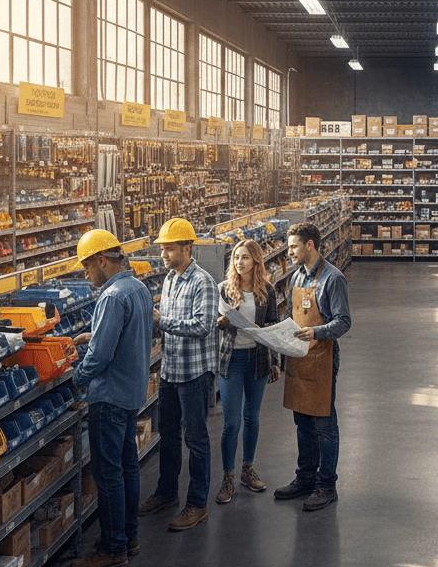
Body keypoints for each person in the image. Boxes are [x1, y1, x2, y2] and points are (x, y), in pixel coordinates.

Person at [69, 229, 153, 567]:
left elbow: (100, 355)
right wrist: (97, 332)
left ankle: (113, 548)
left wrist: (77, 378)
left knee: (108, 476)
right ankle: (128, 537)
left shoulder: (111, 296)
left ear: (102, 261)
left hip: (109, 396)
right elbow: (129, 333)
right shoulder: (139, 289)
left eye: (87, 267)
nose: (86, 274)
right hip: (132, 391)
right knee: (128, 466)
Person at [136, 219, 218, 532]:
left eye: (169, 248)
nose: (163, 254)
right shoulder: (170, 279)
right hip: (170, 370)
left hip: (195, 374)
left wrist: (163, 321)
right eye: (162, 248)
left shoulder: (203, 282)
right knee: (167, 436)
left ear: (187, 248)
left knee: (196, 439)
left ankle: (197, 504)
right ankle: (167, 492)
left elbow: (203, 326)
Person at [274, 221, 350, 511]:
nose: (288, 251)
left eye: (293, 246)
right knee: (302, 423)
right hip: (298, 358)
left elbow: (343, 322)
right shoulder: (296, 278)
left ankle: (326, 485)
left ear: (310, 245)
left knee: (324, 424)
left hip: (321, 359)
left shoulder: (333, 278)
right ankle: (305, 477)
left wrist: (316, 332)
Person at [214, 238, 282, 504]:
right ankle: (227, 476)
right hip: (231, 360)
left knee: (252, 417)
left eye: (245, 258)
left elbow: (273, 326)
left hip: (258, 359)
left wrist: (275, 361)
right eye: (236, 257)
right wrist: (221, 323)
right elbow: (213, 322)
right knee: (231, 423)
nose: (239, 262)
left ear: (256, 261)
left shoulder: (267, 290)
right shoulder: (224, 289)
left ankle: (247, 469)